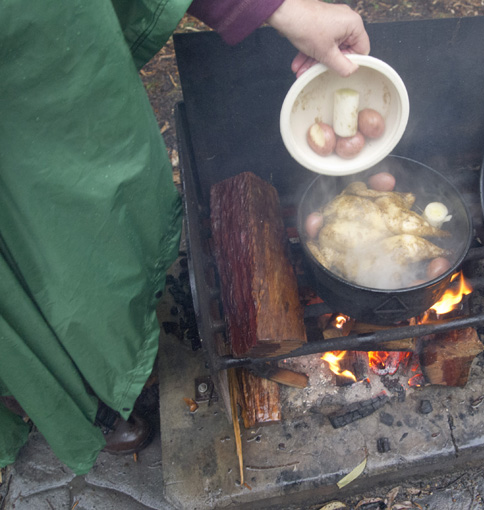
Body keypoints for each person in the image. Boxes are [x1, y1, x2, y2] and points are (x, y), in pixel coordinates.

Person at [0, 0, 370, 475]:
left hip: (50, 71)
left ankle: (108, 356)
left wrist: (275, 7)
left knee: (82, 241)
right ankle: (53, 395)